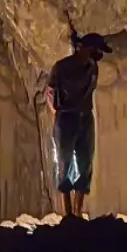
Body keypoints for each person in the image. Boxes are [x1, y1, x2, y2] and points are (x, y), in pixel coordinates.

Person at [45, 33, 110, 219]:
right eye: (96, 50)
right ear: (87, 48)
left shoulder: (93, 68)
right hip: (66, 117)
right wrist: (57, 115)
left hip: (85, 116)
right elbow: (50, 92)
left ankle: (78, 210)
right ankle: (67, 212)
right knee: (65, 161)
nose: (98, 55)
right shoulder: (62, 67)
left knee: (85, 160)